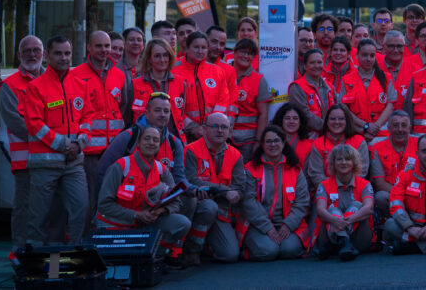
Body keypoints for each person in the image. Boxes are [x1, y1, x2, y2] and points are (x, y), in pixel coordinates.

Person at [24, 35, 89, 245]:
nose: (64, 58)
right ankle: (35, 267)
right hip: (44, 165)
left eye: (67, 53)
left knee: (82, 209)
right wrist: (64, 145)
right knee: (39, 218)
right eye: (58, 53)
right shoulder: (36, 87)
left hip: (74, 163)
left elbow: (88, 119)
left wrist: (79, 143)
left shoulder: (80, 85)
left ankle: (73, 258)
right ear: (47, 56)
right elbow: (34, 124)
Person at [94, 126, 191, 266]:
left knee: (182, 223)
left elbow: (177, 202)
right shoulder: (121, 167)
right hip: (118, 224)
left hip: (147, 223)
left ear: (159, 145)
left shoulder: (162, 171)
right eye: (147, 138)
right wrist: (136, 215)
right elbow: (103, 205)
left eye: (155, 140)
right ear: (138, 143)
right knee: (121, 264)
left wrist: (160, 211)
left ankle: (156, 254)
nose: (151, 143)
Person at [70, 30, 128, 226]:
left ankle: (109, 240)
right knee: (89, 199)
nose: (104, 50)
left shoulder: (119, 75)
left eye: (107, 46)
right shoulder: (75, 75)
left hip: (114, 150)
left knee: (114, 196)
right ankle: (86, 242)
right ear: (89, 48)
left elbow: (123, 106)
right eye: (99, 46)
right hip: (89, 152)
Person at [183, 112, 252, 264]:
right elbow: (190, 180)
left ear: (229, 131)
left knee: (230, 255)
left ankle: (206, 245)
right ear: (204, 129)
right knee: (208, 207)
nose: (220, 131)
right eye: (214, 126)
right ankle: (191, 251)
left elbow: (239, 188)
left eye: (224, 127)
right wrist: (223, 190)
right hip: (198, 206)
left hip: (222, 211)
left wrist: (227, 193)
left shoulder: (235, 155)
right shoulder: (191, 150)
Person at [237, 126, 312, 261]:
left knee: (289, 250)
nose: (273, 145)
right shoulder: (250, 169)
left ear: (283, 143)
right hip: (258, 225)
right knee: (268, 251)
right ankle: (245, 253)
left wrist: (288, 225)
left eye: (276, 141)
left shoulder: (295, 169)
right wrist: (268, 228)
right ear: (262, 145)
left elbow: (302, 202)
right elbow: (248, 202)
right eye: (268, 141)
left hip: (288, 224)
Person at [0, 35, 45, 249]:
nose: (32, 54)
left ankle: (47, 258)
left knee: (48, 210)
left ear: (43, 54)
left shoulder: (55, 81)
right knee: (23, 209)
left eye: (36, 50)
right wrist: (51, 137)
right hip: (25, 162)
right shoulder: (9, 85)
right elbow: (16, 123)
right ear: (19, 55)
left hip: (52, 160)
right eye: (27, 51)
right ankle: (20, 255)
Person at [98, 92, 186, 187]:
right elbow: (103, 171)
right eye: (157, 110)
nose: (162, 115)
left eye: (166, 111)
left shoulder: (174, 143)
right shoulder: (128, 137)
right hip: (128, 198)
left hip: (160, 199)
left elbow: (179, 178)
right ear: (147, 113)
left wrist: (194, 191)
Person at [314, 143, 374, 261]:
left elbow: (369, 208)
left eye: (347, 159)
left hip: (359, 239)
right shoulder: (324, 185)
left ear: (354, 163)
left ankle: (341, 241)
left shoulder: (364, 184)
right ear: (333, 163)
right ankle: (344, 242)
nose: (343, 162)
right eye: (339, 159)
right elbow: (320, 210)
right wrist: (334, 220)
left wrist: (348, 220)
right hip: (329, 235)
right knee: (331, 209)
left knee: (357, 205)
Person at [172, 31, 232, 142]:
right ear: (187, 48)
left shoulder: (217, 71)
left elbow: (223, 101)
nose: (200, 51)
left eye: (204, 47)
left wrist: (211, 126)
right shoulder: (174, 70)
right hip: (183, 132)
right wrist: (192, 127)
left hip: (212, 132)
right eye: (196, 47)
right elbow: (173, 105)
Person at [131, 39, 190, 136]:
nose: (162, 60)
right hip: (144, 141)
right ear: (149, 59)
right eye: (157, 56)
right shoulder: (135, 84)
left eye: (165, 55)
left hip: (173, 142)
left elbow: (182, 114)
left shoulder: (181, 83)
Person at [305, 105, 370, 193]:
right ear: (326, 122)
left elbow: (362, 172)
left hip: (354, 192)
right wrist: (335, 188)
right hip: (327, 193)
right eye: (332, 119)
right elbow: (316, 175)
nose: (336, 122)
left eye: (341, 119)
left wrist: (346, 188)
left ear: (347, 121)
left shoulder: (359, 141)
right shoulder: (318, 143)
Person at [341, 38, 396, 143]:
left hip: (381, 136)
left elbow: (390, 106)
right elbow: (344, 108)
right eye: (364, 55)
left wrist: (375, 127)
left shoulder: (386, 78)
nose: (368, 59)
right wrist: (365, 125)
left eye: (372, 55)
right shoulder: (347, 80)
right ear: (357, 56)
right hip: (356, 134)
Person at [369, 112, 418, 225]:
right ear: (389, 128)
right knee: (380, 197)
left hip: (417, 193)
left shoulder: (420, 144)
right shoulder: (377, 147)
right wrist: (403, 195)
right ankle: (400, 222)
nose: (400, 129)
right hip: (391, 194)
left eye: (403, 125)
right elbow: (380, 184)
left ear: (409, 128)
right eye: (395, 125)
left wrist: (411, 195)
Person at [230, 38, 271, 155]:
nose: (246, 56)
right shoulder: (224, 73)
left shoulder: (259, 80)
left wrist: (258, 142)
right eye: (243, 51)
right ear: (235, 52)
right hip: (223, 138)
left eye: (250, 53)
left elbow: (263, 115)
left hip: (247, 142)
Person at [289, 48, 331, 135]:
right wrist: (329, 127)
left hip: (330, 135)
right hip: (309, 137)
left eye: (319, 62)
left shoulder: (329, 86)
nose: (316, 66)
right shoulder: (297, 87)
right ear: (305, 66)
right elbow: (304, 115)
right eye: (312, 63)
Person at [381, 30, 416, 109]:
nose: (396, 50)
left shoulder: (415, 71)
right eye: (391, 46)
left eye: (399, 46)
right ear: (383, 47)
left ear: (404, 47)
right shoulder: (375, 70)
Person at [274, 102, 313, 167]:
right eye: (287, 118)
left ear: (300, 122)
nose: (291, 121)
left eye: (295, 118)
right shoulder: (272, 143)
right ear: (281, 120)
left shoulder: (310, 146)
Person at [321, 37, 353, 103]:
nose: (338, 53)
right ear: (330, 52)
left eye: (342, 50)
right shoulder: (322, 73)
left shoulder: (355, 73)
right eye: (335, 50)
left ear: (348, 53)